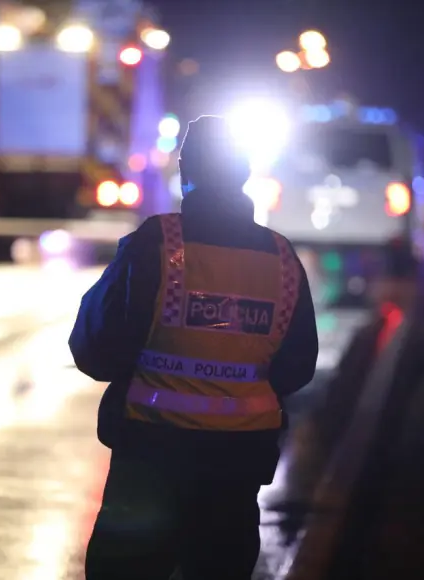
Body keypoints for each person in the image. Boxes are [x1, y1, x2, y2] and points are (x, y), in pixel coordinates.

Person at [71, 115, 319, 579]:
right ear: (244, 172)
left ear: (187, 170)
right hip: (237, 465)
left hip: (150, 453)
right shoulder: (283, 259)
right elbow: (297, 367)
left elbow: (94, 348)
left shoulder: (154, 244)